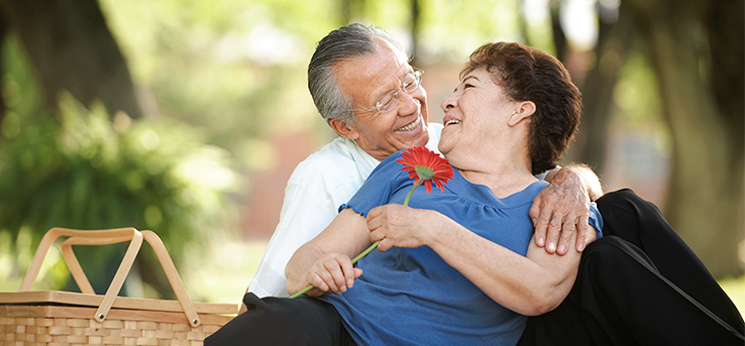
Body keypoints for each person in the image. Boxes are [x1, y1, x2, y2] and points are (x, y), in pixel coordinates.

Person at [206, 41, 602, 345]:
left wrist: (434, 229)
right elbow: (306, 258)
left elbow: (539, 291)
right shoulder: (409, 163)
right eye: (454, 88)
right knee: (279, 325)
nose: (446, 99)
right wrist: (313, 268)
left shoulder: (560, 206)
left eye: (468, 87)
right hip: (339, 327)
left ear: (519, 111)